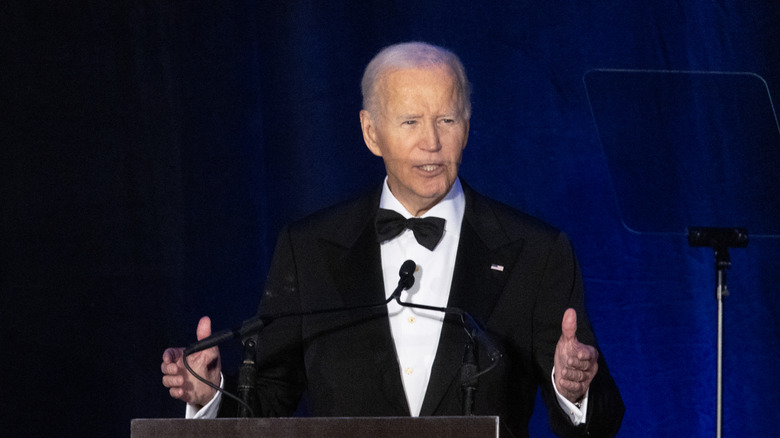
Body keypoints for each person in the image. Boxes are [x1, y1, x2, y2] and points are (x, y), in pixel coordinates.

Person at [162, 42, 624, 437]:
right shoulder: (310, 248)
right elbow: (265, 403)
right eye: (410, 122)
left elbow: (602, 420)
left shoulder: (535, 252)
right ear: (371, 132)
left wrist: (574, 390)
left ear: (468, 126)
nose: (432, 143)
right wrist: (211, 398)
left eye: (447, 119)